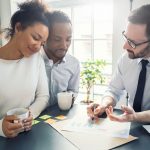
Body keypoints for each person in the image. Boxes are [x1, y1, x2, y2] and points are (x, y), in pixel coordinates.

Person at [87, 4, 150, 123]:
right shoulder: (125, 59)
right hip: (131, 128)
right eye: (126, 37)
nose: (125, 46)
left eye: (132, 43)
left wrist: (135, 117)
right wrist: (104, 105)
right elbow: (114, 90)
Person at [0, 1, 49, 138]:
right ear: (18, 27)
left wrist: (30, 114)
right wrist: (1, 127)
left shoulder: (36, 60)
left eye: (42, 43)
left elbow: (43, 96)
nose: (38, 46)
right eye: (35, 38)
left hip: (28, 136)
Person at [42, 10, 80, 106]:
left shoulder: (74, 63)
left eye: (68, 39)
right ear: (44, 37)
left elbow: (73, 91)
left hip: (60, 115)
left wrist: (68, 98)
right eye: (57, 39)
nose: (64, 46)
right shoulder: (32, 60)